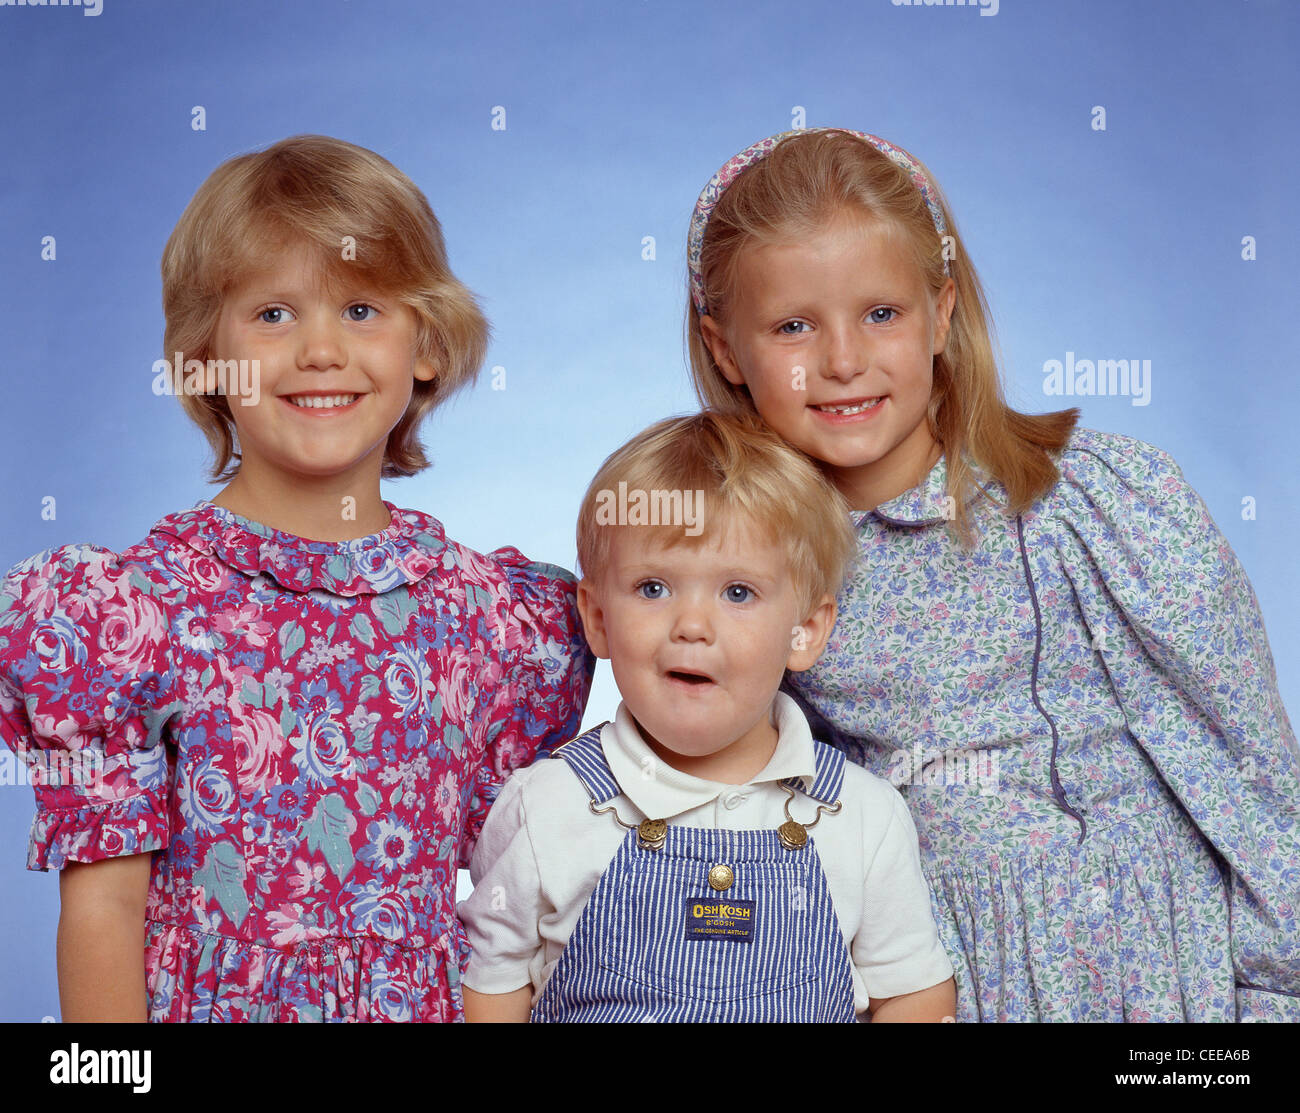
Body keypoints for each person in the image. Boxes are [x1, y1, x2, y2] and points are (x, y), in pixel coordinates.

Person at [683, 126, 1300, 1022]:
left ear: (942, 312)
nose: (844, 360)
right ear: (728, 349)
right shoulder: (747, 567)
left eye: (882, 313)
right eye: (793, 326)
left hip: (1153, 977)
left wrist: (1275, 996)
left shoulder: (1092, 504)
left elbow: (1246, 770)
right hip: (930, 982)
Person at [0, 134, 593, 1022]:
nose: (321, 349)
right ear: (206, 357)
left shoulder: (491, 620)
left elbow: (517, 910)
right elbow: (103, 910)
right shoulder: (134, 614)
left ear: (425, 344)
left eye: (361, 310)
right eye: (273, 314)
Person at [458, 411, 956, 1022]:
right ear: (596, 617)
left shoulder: (862, 817)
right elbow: (491, 980)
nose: (692, 626)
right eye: (653, 588)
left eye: (738, 592)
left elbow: (914, 994)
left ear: (805, 630)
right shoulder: (545, 805)